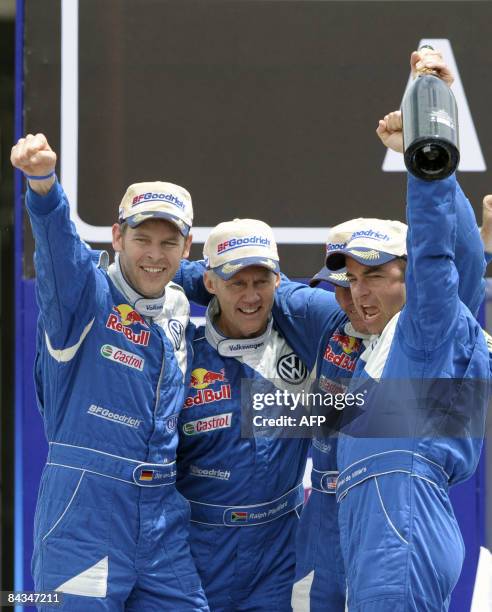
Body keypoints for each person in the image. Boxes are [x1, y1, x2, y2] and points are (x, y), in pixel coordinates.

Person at [11, 134, 209, 611]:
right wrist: (43, 185)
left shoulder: (181, 305)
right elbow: (59, 249)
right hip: (84, 510)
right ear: (117, 236)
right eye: (142, 239)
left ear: (187, 246)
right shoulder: (82, 297)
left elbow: (247, 280)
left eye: (169, 242)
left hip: (163, 516)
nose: (155, 255)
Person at [175, 218, 316, 611]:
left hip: (279, 554)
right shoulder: (182, 352)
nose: (251, 296)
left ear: (278, 280)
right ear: (210, 283)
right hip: (194, 549)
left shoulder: (305, 342)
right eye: (237, 282)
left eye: (261, 282)